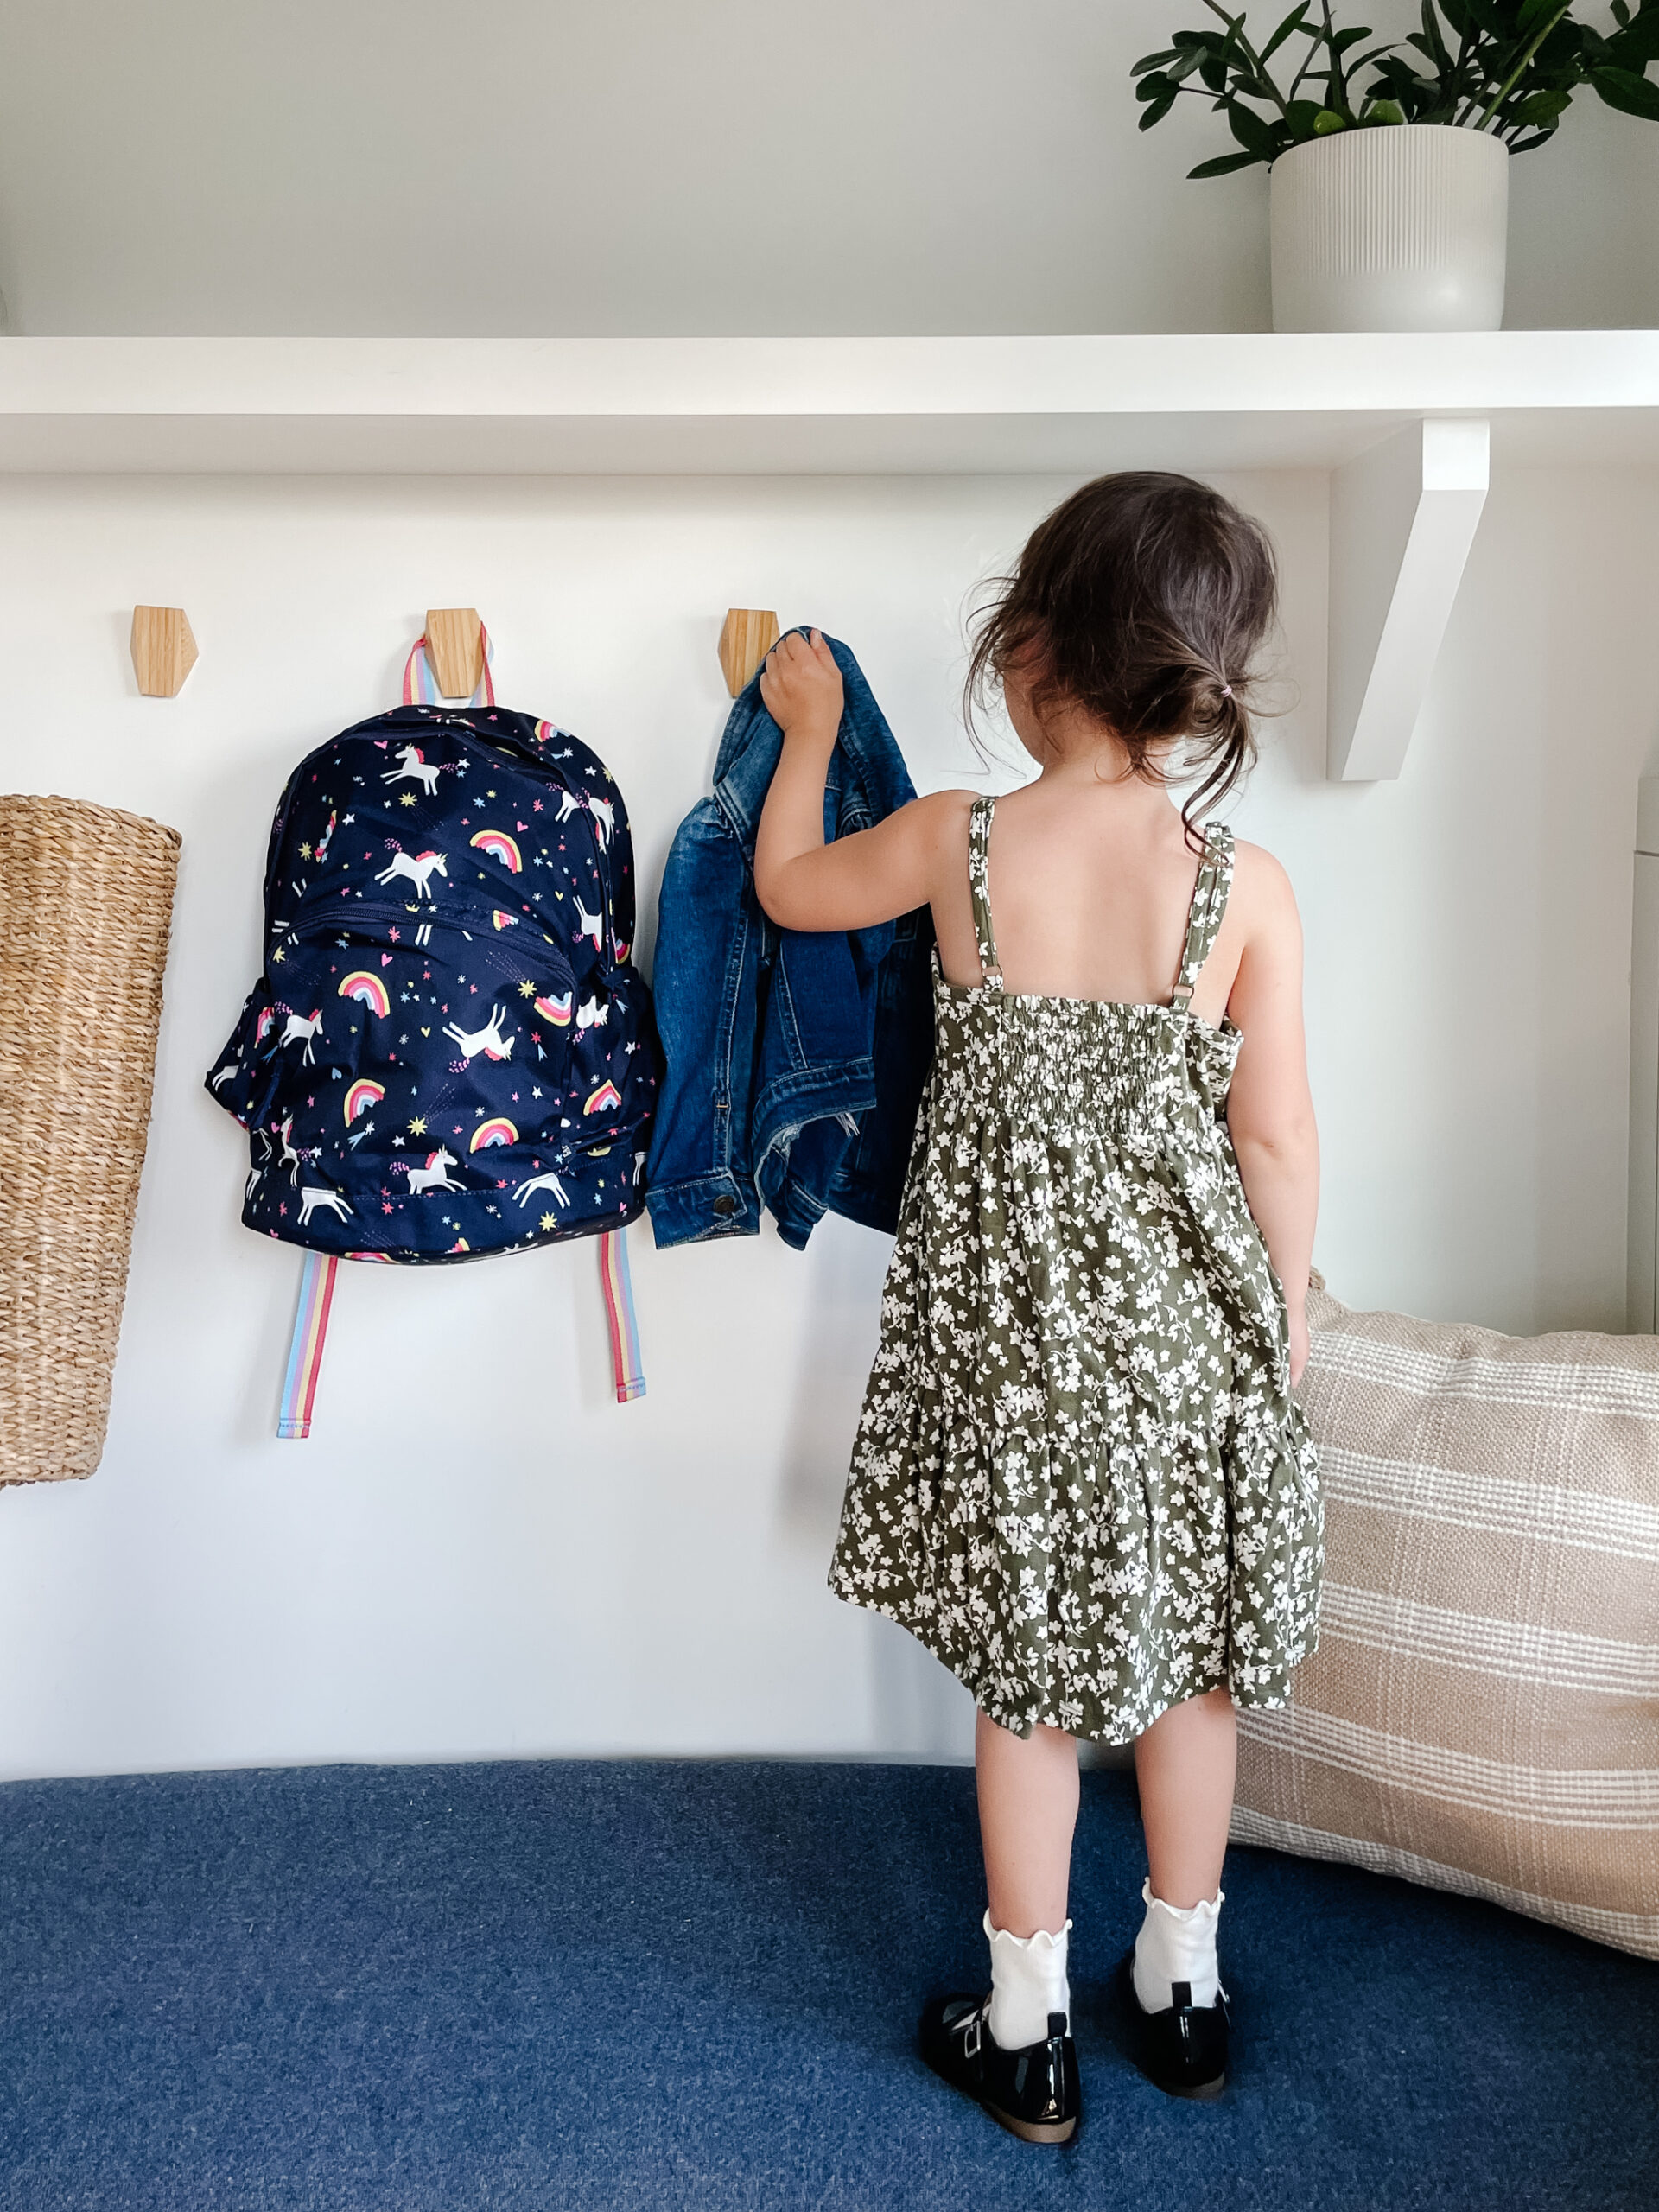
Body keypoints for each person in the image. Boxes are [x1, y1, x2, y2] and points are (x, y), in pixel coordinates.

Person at [752, 472, 1324, 2145]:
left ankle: (1028, 2025)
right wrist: (1278, 1320)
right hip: (1184, 1355)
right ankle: (1188, 1988)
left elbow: (787, 886)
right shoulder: (1248, 887)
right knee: (1189, 1677)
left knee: (1029, 1687)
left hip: (1012, 1360)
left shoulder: (962, 838)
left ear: (1030, 651)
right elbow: (1277, 1136)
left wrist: (807, 726)